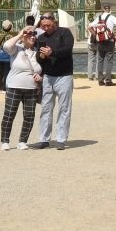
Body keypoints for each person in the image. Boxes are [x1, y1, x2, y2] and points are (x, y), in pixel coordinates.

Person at [33, 11, 75, 150]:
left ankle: (61, 139)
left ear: (54, 22)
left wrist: (52, 52)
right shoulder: (41, 37)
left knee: (64, 108)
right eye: (43, 26)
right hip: (48, 76)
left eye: (48, 25)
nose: (46, 28)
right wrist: (42, 57)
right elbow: (38, 58)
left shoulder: (65, 33)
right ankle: (44, 138)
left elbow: (67, 49)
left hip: (64, 75)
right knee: (46, 108)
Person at [0, 25, 42, 151]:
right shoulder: (16, 49)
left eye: (34, 34)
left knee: (29, 116)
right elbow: (6, 46)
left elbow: (44, 68)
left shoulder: (38, 52)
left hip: (31, 88)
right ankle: (5, 141)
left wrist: (40, 77)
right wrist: (20, 34)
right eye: (29, 34)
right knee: (9, 114)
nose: (32, 37)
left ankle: (22, 141)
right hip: (14, 86)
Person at [93, 4, 116, 86]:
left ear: (103, 9)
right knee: (109, 61)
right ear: (110, 9)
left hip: (100, 41)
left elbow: (89, 27)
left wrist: (96, 36)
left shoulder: (99, 18)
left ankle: (100, 80)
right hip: (109, 41)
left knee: (100, 60)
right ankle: (108, 80)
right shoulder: (112, 17)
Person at [0, 20, 15, 93]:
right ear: (10, 28)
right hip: (7, 55)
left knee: (0, 72)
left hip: (0, 55)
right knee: (7, 72)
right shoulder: (10, 36)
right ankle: (4, 88)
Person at [86, 16, 98, 82]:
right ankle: (97, 76)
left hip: (90, 43)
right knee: (99, 60)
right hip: (98, 43)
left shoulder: (90, 24)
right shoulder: (98, 24)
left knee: (90, 60)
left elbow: (88, 33)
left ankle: (90, 76)